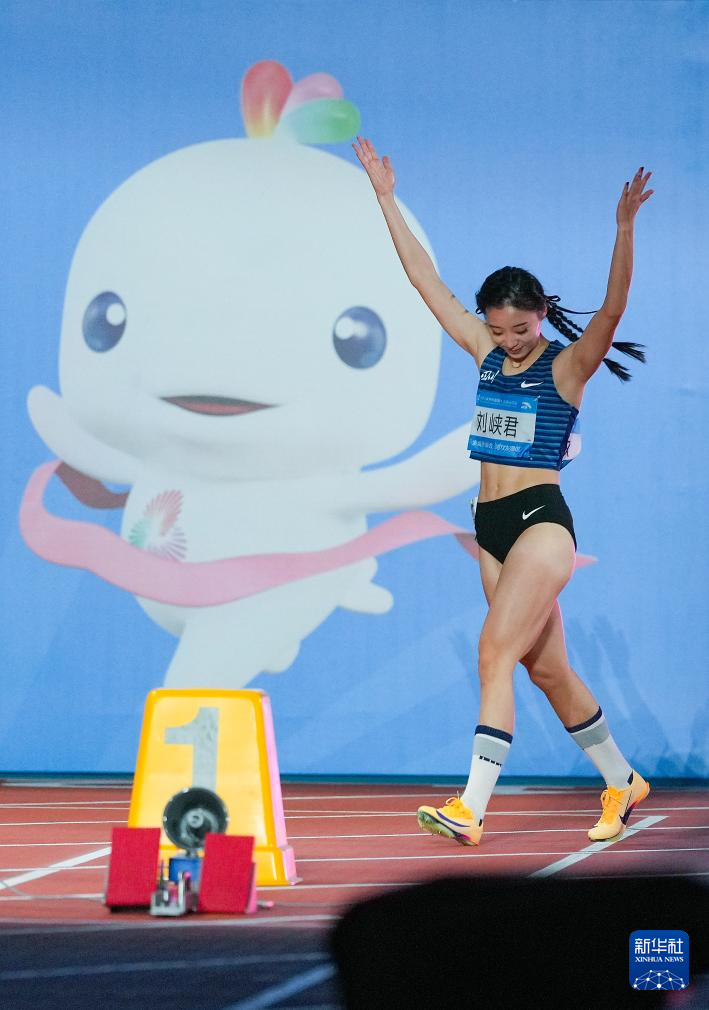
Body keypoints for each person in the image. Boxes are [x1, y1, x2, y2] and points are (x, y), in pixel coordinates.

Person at [353, 135, 653, 845]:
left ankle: (470, 808)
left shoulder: (566, 366)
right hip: (489, 526)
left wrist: (623, 229)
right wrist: (386, 197)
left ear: (540, 315)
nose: (510, 339)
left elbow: (611, 312)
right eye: (498, 328)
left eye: (521, 328)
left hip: (540, 525)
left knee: (493, 654)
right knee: (547, 671)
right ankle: (622, 781)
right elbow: (424, 281)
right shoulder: (485, 353)